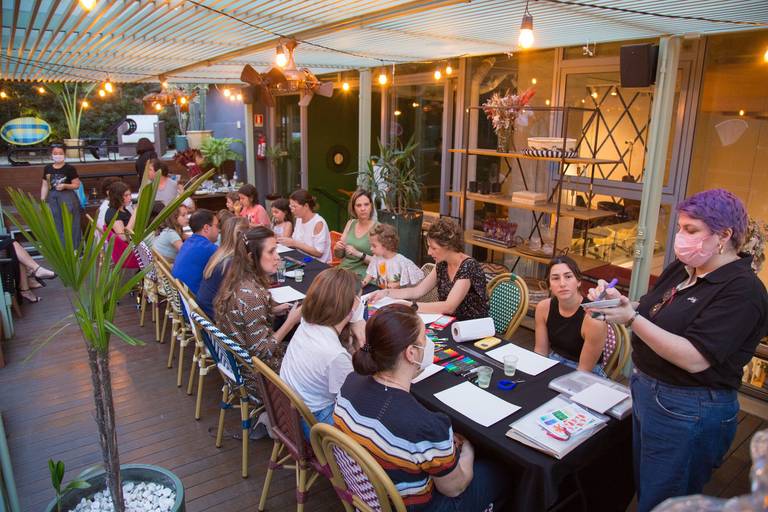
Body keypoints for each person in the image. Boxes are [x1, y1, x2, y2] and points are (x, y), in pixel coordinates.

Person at [586, 189, 768, 512]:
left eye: (691, 230)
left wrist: (632, 318)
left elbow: (694, 357)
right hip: (648, 391)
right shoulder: (684, 268)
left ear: (724, 235)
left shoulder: (744, 292)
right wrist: (621, 303)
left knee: (666, 501)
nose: (680, 237)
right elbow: (650, 307)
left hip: (689, 409)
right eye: (681, 227)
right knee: (646, 489)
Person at [334, 304, 506, 511]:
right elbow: (455, 488)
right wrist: (468, 452)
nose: (429, 344)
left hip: (366, 497)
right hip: (411, 506)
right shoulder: (426, 426)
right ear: (412, 353)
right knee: (498, 469)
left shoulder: (350, 382)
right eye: (425, 338)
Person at [214, 226, 302, 393]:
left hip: (239, 367)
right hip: (257, 378)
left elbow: (243, 317)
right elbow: (262, 353)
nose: (278, 257)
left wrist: (272, 311)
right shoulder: (252, 295)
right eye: (271, 251)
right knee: (312, 359)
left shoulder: (237, 280)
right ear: (251, 258)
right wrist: (290, 322)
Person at [280, 267, 364, 433]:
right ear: (354, 304)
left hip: (289, 412)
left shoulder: (307, 322)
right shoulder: (335, 355)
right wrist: (361, 332)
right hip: (313, 422)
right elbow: (356, 398)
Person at [368, 218, 488, 320]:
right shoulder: (442, 264)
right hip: (448, 323)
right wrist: (386, 293)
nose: (429, 252)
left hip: (472, 330)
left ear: (448, 246)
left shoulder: (468, 267)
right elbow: (417, 291)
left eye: (433, 248)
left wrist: (410, 306)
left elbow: (449, 306)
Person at [534, 255, 608, 377]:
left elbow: (583, 371)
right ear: (549, 285)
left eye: (568, 277)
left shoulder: (593, 318)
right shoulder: (543, 307)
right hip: (553, 363)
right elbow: (540, 352)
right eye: (555, 278)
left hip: (585, 373)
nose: (562, 283)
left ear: (578, 281)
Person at [197, 216, 249, 320]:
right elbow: (242, 300)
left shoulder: (219, 255)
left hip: (208, 314)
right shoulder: (231, 263)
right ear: (243, 236)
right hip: (220, 321)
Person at [41, 145, 81, 249]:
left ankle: (75, 249)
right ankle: (62, 249)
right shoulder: (47, 168)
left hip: (67, 197)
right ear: (51, 155)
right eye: (55, 153)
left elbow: (77, 185)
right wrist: (42, 199)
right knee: (56, 222)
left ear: (64, 154)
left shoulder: (70, 168)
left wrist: (65, 185)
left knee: (71, 223)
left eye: (60, 153)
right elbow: (45, 184)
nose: (58, 155)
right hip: (53, 197)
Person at [171, 209, 219, 295]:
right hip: (195, 302)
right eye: (217, 226)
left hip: (182, 297)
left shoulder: (189, 241)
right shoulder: (208, 248)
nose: (218, 230)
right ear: (206, 228)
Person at [362, 223, 424, 289]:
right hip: (381, 293)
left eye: (374, 246)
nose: (371, 248)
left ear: (386, 244)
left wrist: (398, 284)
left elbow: (418, 276)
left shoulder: (402, 261)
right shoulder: (376, 258)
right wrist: (362, 284)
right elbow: (369, 275)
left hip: (398, 296)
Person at [278, 189, 331, 263]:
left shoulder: (318, 223)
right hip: (302, 259)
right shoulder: (299, 219)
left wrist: (294, 243)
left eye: (295, 207)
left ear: (306, 206)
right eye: (291, 207)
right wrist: (283, 240)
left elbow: (319, 253)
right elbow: (295, 240)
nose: (292, 210)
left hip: (318, 263)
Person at [334, 190, 377, 279]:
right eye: (358, 205)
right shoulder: (351, 223)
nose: (363, 209)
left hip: (363, 277)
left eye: (366, 204)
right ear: (353, 208)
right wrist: (337, 248)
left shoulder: (378, 228)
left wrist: (358, 254)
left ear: (371, 206)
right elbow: (339, 255)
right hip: (342, 272)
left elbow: (381, 263)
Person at [104, 181, 140, 269]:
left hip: (133, 245)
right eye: (126, 195)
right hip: (128, 253)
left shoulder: (122, 209)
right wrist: (135, 212)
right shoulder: (113, 213)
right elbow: (124, 236)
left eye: (130, 195)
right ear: (117, 197)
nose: (130, 198)